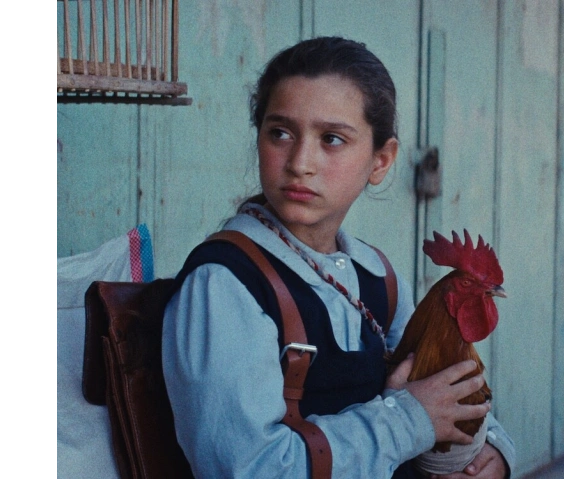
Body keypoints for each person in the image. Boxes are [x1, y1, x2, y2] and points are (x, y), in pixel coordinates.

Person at [162, 36, 515, 479]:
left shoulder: (377, 276)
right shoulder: (225, 285)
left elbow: (440, 385)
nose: (300, 162)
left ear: (380, 161)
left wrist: (492, 451)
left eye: (331, 139)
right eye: (280, 133)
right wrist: (407, 420)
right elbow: (247, 469)